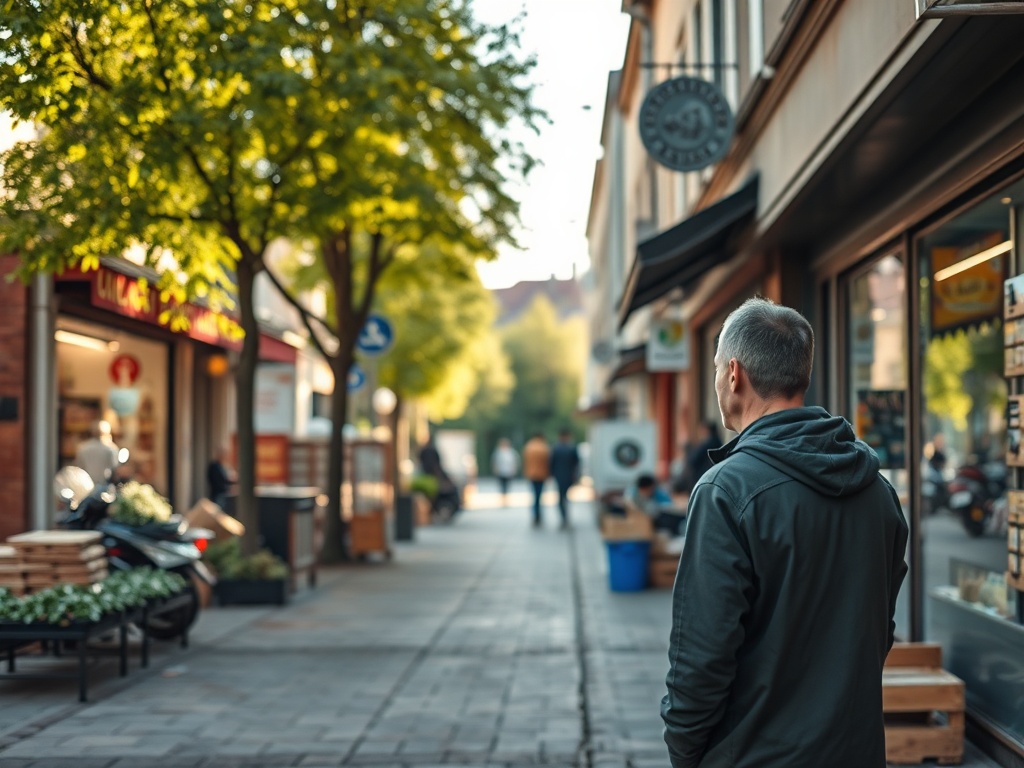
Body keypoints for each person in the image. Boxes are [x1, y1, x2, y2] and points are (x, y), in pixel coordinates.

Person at [661, 297, 908, 768]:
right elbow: (879, 630)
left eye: (715, 368)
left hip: (754, 754)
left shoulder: (725, 491)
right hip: (855, 750)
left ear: (734, 374)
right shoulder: (877, 491)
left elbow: (701, 657)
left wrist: (685, 750)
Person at [549, 428, 580, 530]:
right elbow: (577, 464)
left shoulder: (556, 448)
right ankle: (565, 517)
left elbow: (551, 464)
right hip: (569, 476)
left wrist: (552, 475)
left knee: (561, 497)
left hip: (559, 476)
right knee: (565, 497)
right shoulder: (571, 448)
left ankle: (564, 517)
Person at [74, 420, 120, 487]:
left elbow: (79, 467)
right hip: (104, 486)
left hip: (86, 485)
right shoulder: (111, 449)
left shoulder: (83, 448)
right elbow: (115, 467)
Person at [522, 432, 550, 527]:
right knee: (539, 496)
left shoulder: (528, 447)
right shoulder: (544, 447)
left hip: (531, 475)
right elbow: (548, 462)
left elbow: (526, 462)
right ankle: (538, 514)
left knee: (534, 496)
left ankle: (535, 514)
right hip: (542, 475)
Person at [685, 419, 722, 488]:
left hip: (705, 478)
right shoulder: (718, 442)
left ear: (707, 430)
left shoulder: (709, 443)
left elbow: (693, 459)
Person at [490, 437, 519, 506]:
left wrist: (514, 469)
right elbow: (494, 462)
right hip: (501, 471)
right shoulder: (498, 452)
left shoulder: (511, 452)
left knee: (507, 485)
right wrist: (495, 469)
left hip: (508, 471)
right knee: (502, 486)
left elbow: (515, 461)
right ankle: (503, 499)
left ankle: (506, 499)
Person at [206, 445, 236, 510]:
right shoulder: (214, 466)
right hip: (218, 494)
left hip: (222, 494)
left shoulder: (221, 466)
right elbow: (218, 481)